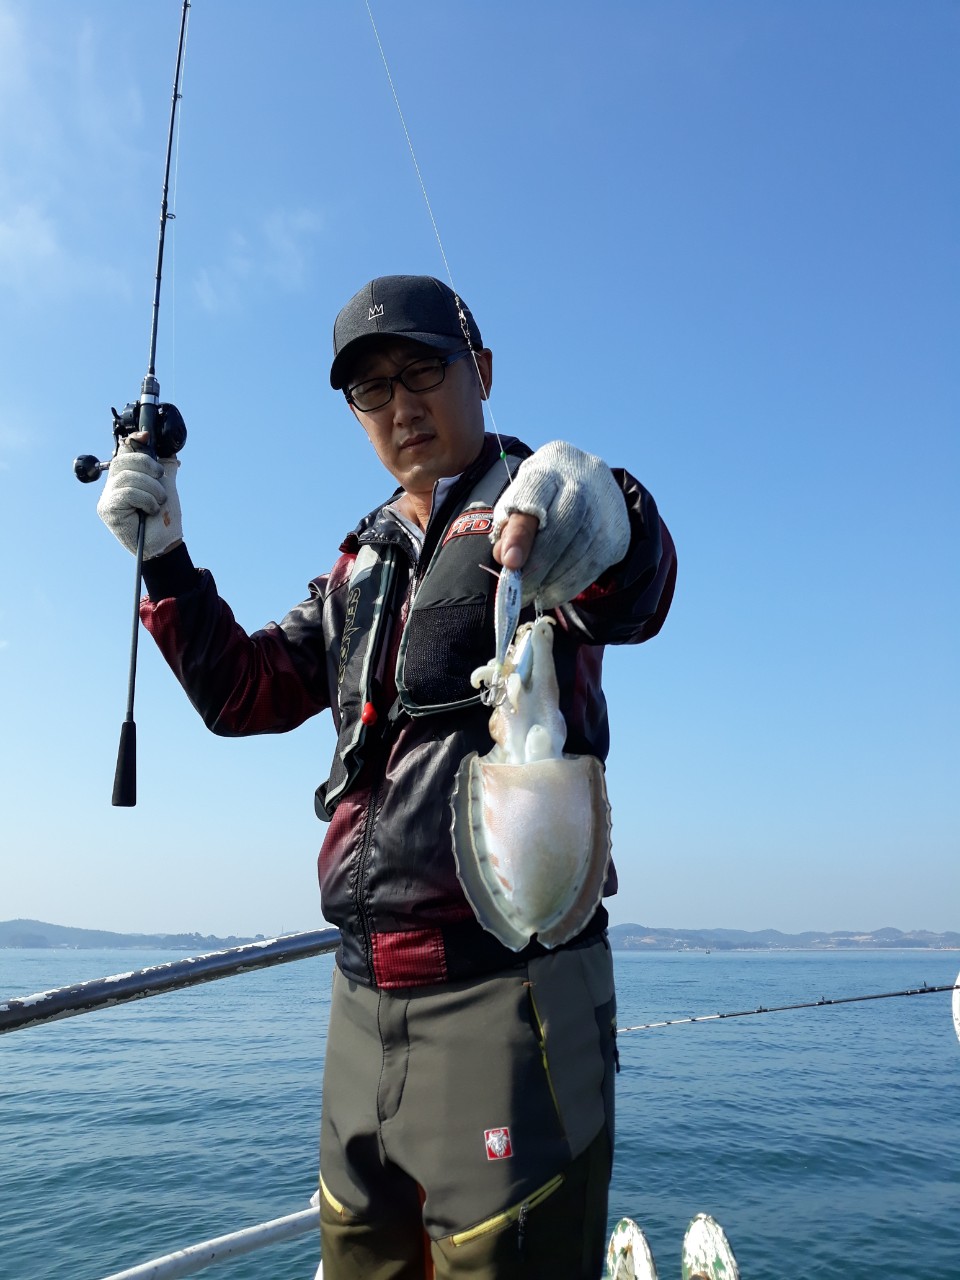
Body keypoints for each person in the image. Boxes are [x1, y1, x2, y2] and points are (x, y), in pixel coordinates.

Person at [96, 274, 677, 1279]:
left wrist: (615, 511)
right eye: (373, 388)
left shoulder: (537, 515)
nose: (402, 405)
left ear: (480, 371)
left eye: (423, 371)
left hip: (509, 994)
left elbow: (633, 589)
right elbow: (243, 692)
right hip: (359, 998)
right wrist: (166, 559)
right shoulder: (358, 566)